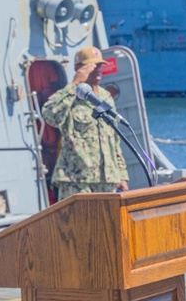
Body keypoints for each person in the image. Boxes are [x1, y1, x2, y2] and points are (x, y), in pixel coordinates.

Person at [40, 46, 129, 199]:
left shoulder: (105, 97)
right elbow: (50, 115)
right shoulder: (69, 95)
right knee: (78, 223)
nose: (98, 69)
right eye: (93, 66)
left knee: (106, 223)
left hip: (106, 180)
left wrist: (121, 174)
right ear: (78, 68)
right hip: (77, 180)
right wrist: (75, 84)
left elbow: (113, 140)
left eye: (100, 65)